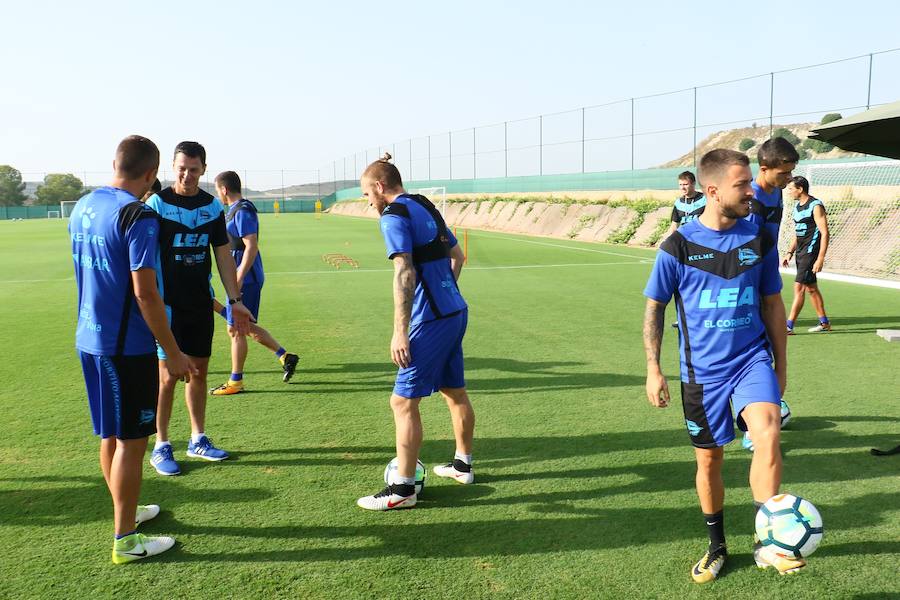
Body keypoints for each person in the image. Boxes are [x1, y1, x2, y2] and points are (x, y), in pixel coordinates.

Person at [643, 148, 804, 583]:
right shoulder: (677, 246)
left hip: (751, 360)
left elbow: (773, 302)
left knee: (768, 433)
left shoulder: (759, 239)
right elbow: (655, 307)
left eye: (751, 182)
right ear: (712, 191)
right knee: (709, 461)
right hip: (701, 373)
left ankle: (767, 540)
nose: (752, 191)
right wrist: (653, 368)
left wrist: (780, 363)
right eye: (742, 185)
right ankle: (716, 546)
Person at [70, 135, 195, 563]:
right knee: (132, 442)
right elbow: (146, 294)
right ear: (150, 174)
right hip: (126, 349)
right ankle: (125, 540)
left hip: (89, 338)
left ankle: (127, 513)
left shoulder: (84, 206)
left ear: (115, 163)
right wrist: (173, 352)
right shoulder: (137, 216)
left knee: (111, 435)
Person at [356, 153, 476, 511]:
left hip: (431, 320)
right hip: (455, 310)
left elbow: (405, 272)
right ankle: (462, 466)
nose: (368, 202)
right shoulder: (424, 205)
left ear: (379, 186)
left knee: (403, 402)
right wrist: (442, 291)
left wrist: (400, 332)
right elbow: (458, 256)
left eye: (367, 194)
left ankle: (403, 490)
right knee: (454, 392)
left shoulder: (393, 216)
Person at [144, 142, 251, 476]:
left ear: (203, 169)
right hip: (167, 307)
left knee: (199, 373)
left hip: (199, 305)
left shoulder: (211, 207)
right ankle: (161, 445)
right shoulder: (157, 204)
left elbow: (222, 255)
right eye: (180, 168)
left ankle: (197, 438)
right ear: (171, 168)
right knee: (167, 377)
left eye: (193, 169)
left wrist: (235, 301)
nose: (186, 175)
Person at [209, 170, 299, 395]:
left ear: (224, 189)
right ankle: (285, 356)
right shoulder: (233, 211)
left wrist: (237, 279)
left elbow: (251, 246)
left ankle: (236, 381)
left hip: (246, 279)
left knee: (236, 330)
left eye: (217, 190)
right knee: (242, 327)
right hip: (240, 277)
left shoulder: (243, 210)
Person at [782, 176, 831, 334]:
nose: (788, 192)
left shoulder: (815, 206)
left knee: (799, 287)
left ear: (800, 189)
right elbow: (797, 233)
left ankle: (788, 326)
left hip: (811, 252)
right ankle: (824, 323)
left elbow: (824, 232)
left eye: (790, 188)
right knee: (811, 288)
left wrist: (820, 258)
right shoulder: (797, 207)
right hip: (801, 252)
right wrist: (790, 252)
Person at [747, 136, 799, 241]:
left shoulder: (777, 189)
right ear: (764, 170)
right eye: (783, 173)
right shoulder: (751, 202)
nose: (790, 177)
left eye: (791, 171)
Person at [667, 170, 706, 237]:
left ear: (693, 184)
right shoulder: (678, 203)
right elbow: (674, 226)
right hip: (686, 240)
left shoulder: (705, 199)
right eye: (680, 185)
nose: (682, 188)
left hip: (702, 239)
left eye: (685, 184)